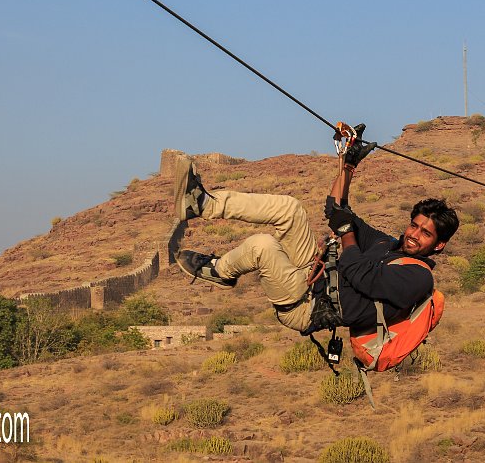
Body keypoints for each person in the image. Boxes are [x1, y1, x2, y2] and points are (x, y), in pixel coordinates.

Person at [171, 125, 459, 335]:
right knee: (290, 208)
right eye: (414, 225)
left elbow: (361, 276)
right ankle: (203, 205)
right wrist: (348, 166)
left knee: (263, 246)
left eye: (425, 233)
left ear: (439, 245)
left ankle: (219, 272)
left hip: (306, 305)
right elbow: (336, 211)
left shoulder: (418, 277)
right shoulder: (385, 243)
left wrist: (347, 234)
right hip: (313, 272)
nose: (413, 234)